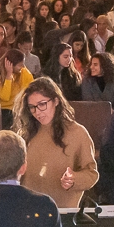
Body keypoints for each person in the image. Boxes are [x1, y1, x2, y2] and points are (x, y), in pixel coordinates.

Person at [12, 77, 98, 209]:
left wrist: (74, 179)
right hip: (28, 209)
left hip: (62, 212)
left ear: (56, 101)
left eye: (42, 104)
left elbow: (91, 174)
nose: (37, 112)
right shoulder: (25, 133)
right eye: (32, 107)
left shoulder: (77, 133)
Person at [0, 49, 34, 128]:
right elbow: (5, 97)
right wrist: (9, 76)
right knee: (8, 116)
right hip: (2, 109)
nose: (22, 67)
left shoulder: (25, 73)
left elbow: (30, 91)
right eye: (19, 65)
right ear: (10, 64)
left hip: (18, 108)